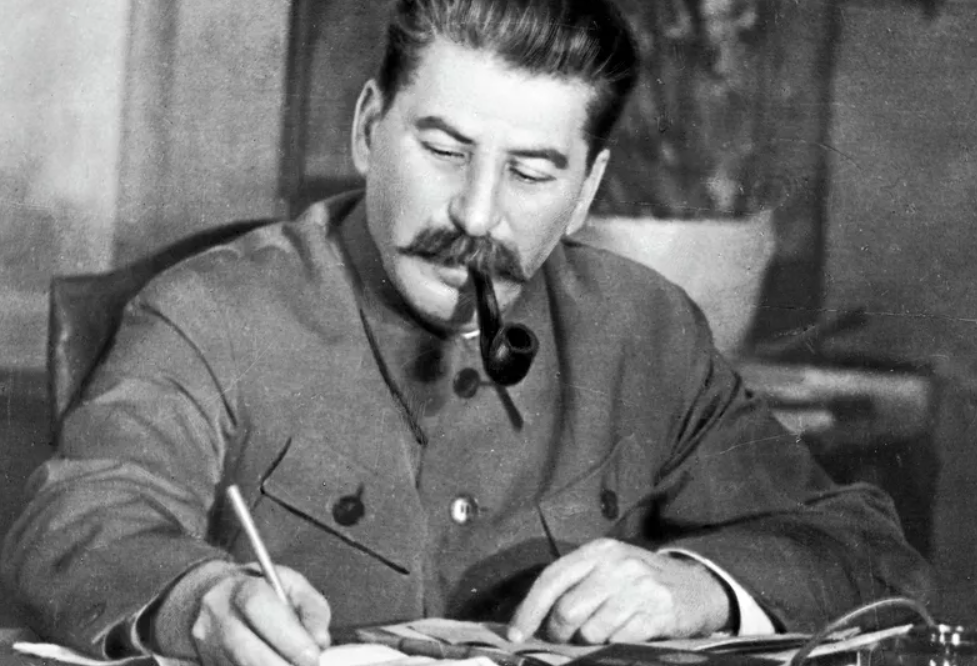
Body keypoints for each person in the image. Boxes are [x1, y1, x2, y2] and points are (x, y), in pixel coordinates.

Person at [3, 0, 933, 665]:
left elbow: (862, 545)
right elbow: (82, 519)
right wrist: (196, 599)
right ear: (369, 128)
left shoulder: (643, 330)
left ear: (586, 192)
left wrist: (695, 587)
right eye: (443, 150)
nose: (477, 215)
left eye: (530, 173)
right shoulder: (212, 310)